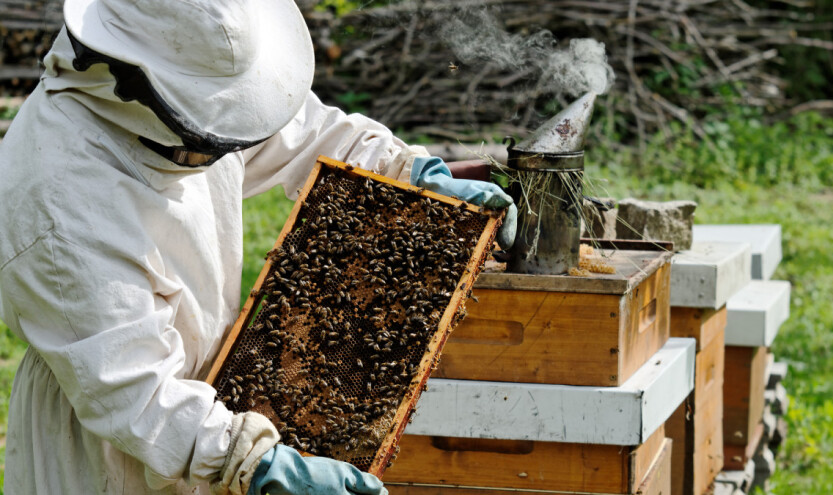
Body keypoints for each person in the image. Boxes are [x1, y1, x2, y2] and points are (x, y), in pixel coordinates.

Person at [0, 0, 515, 493]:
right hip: (105, 443)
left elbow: (295, 129)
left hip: (208, 395)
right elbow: (137, 397)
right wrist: (255, 462)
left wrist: (410, 172)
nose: (224, 146)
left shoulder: (185, 81)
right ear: (137, 86)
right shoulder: (56, 200)